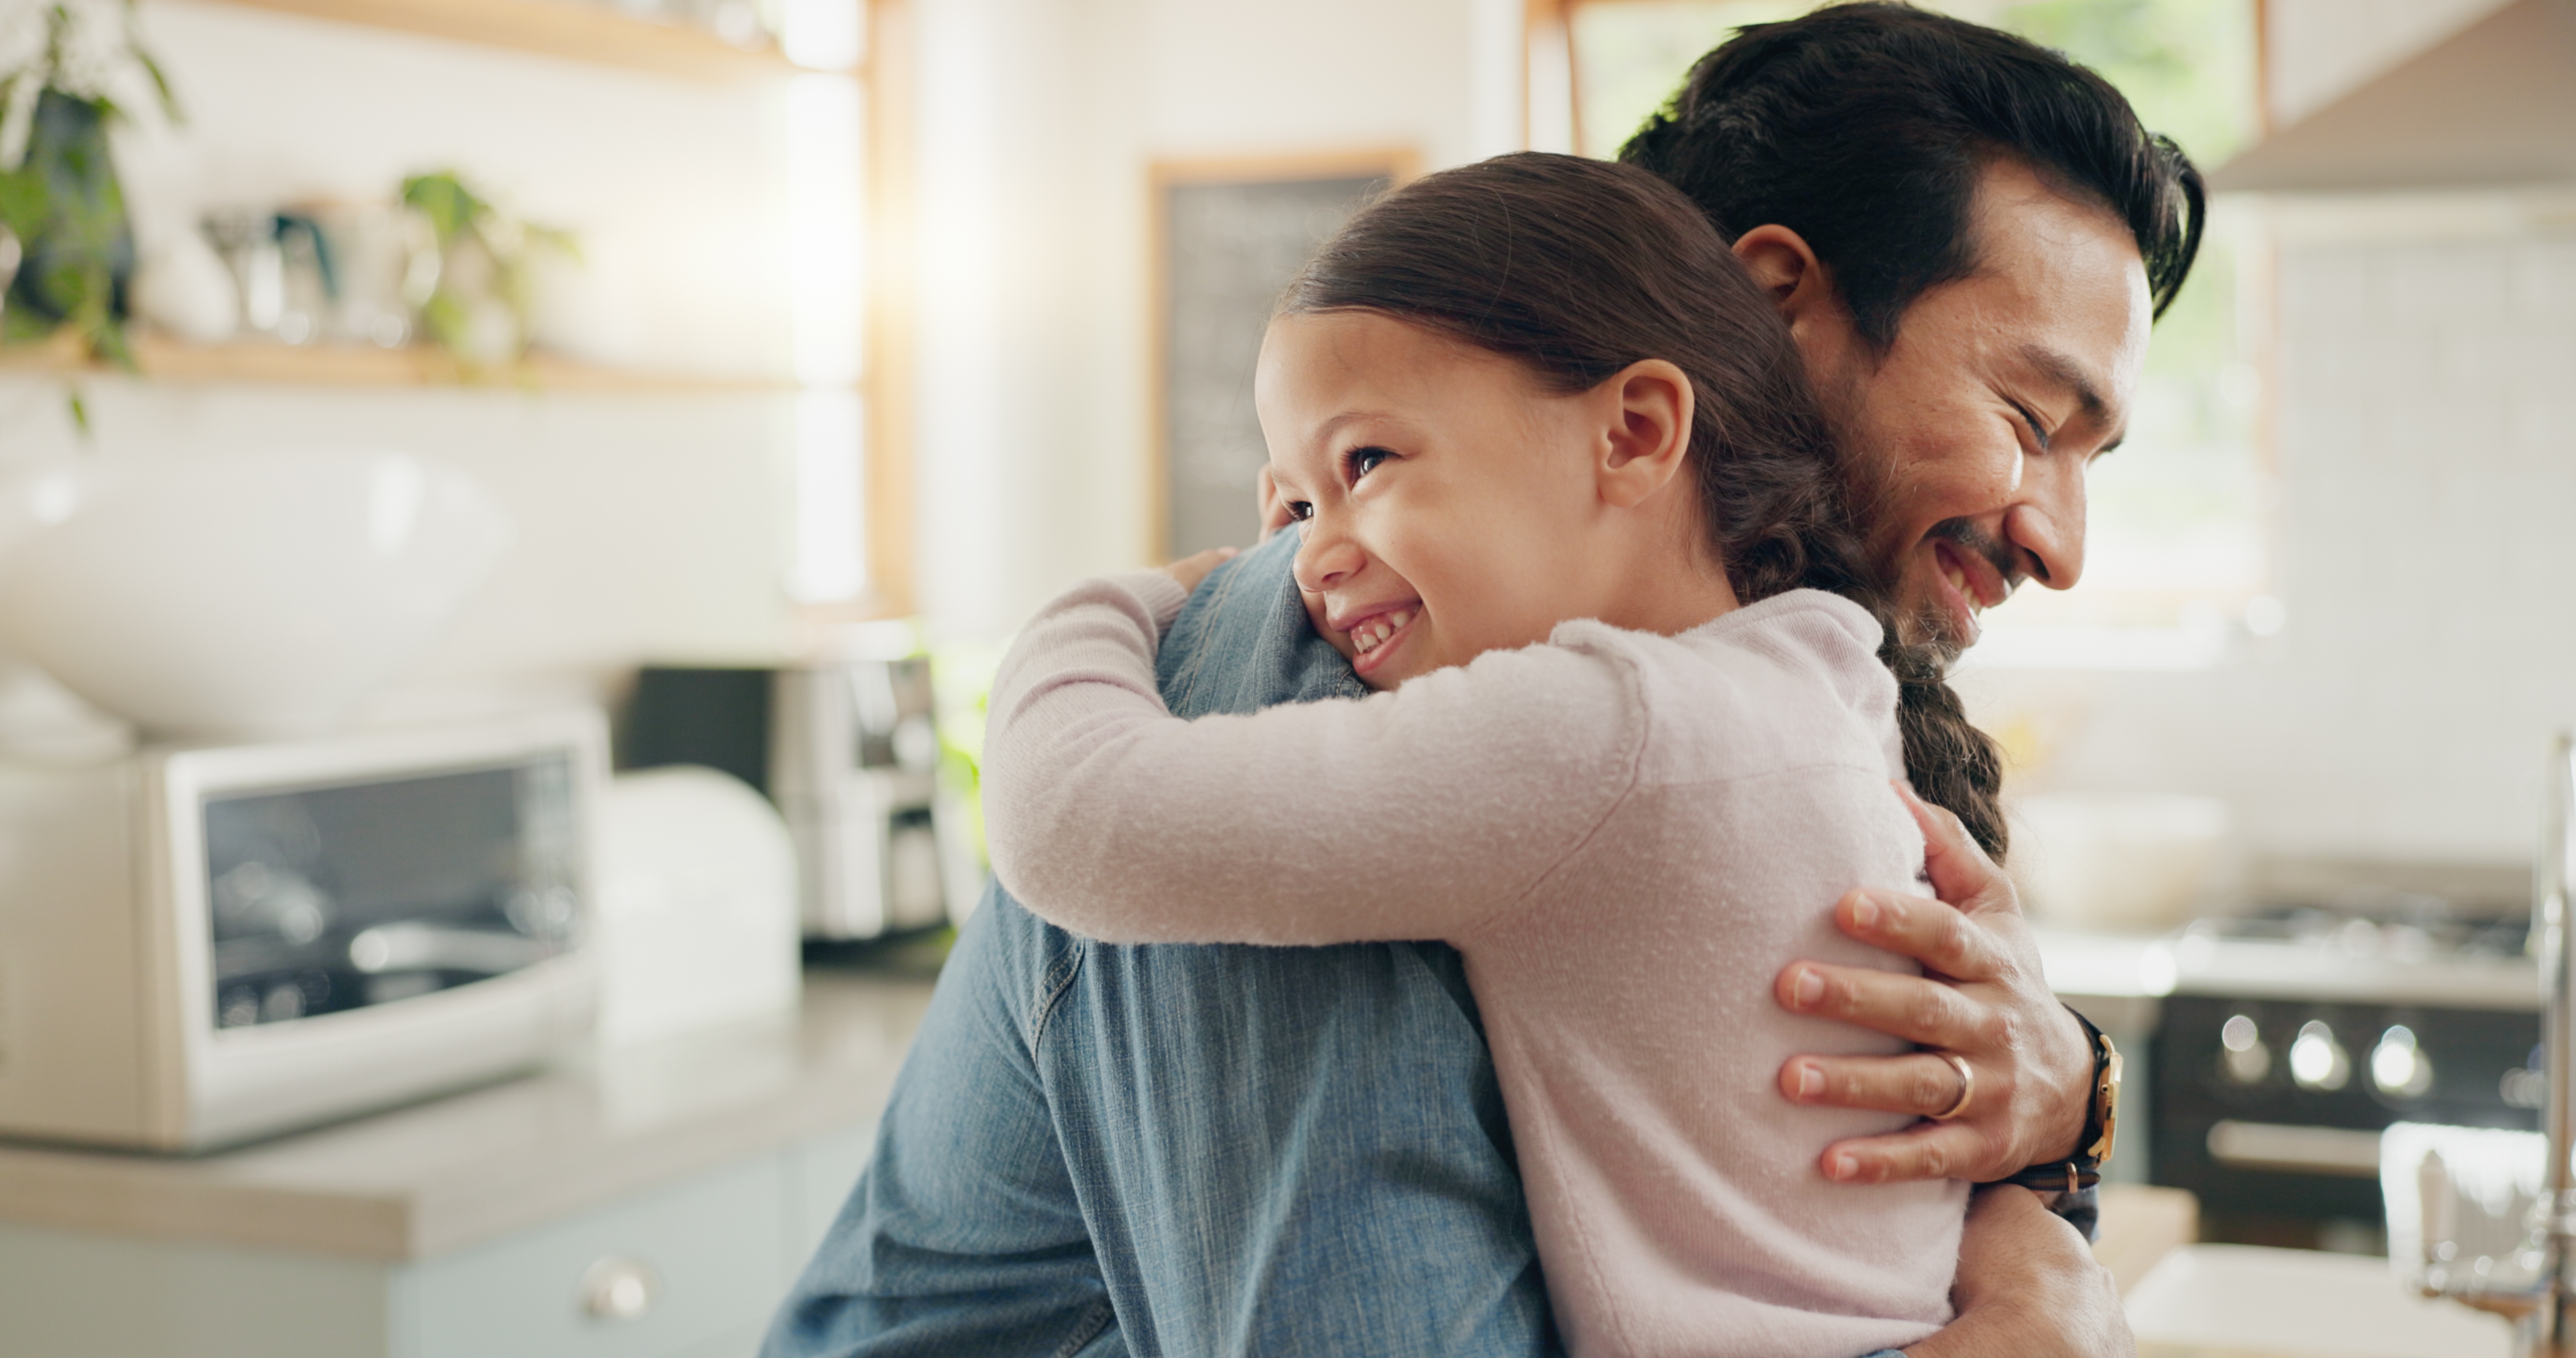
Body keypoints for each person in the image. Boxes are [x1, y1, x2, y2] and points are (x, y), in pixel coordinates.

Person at [763, 5, 2198, 1355]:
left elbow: (1833, 1193)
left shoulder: (1797, 697)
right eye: (2026, 418)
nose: (2056, 544)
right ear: (1772, 306)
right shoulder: (1314, 659)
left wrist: (2052, 1140)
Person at [984, 151, 2031, 1358]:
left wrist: (1123, 603)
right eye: (1293, 512)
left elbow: (1079, 822)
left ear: (1635, 432)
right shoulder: (1818, 686)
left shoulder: (1608, 738)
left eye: (1365, 464)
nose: (1309, 563)